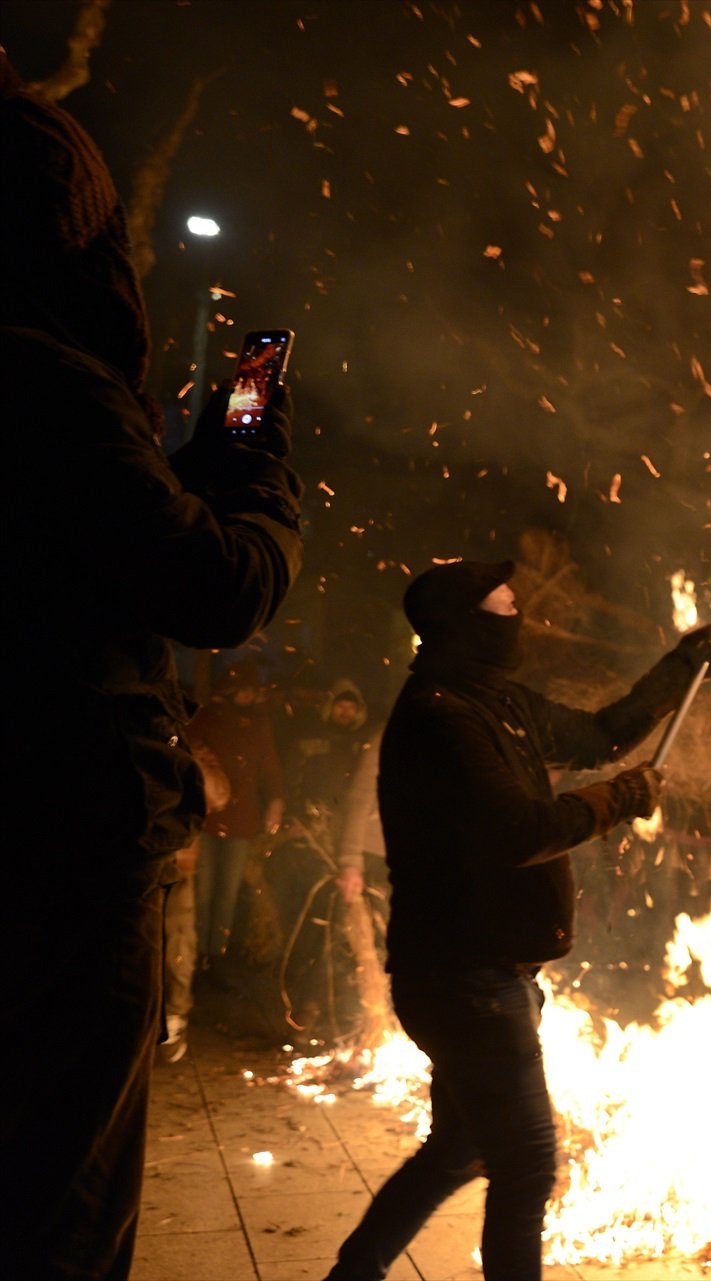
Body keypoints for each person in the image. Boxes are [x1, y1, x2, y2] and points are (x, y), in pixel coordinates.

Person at [1, 52, 304, 1279]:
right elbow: (216, 585)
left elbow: (113, 537)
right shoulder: (41, 378)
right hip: (56, 837)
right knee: (54, 1200)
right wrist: (256, 447)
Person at [324, 560, 711, 1281]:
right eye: (506, 604)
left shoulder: (493, 700)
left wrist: (682, 665)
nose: (521, 615)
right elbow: (517, 829)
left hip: (487, 971)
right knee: (528, 1162)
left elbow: (603, 733)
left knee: (458, 1146)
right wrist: (620, 798)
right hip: (464, 975)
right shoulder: (441, 716)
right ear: (470, 624)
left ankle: (353, 1271)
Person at [187, 659, 287, 963]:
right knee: (202, 890)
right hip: (205, 818)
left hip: (242, 821)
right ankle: (195, 952)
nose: (248, 696)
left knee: (227, 892)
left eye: (251, 691)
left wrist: (277, 800)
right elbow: (189, 753)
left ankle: (215, 953)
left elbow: (271, 770)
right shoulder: (208, 718)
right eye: (242, 690)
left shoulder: (260, 725)